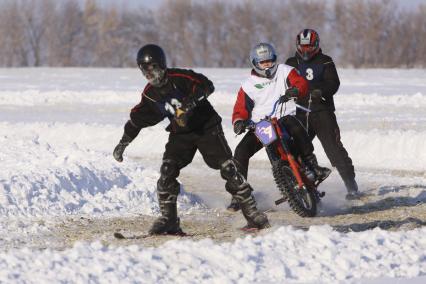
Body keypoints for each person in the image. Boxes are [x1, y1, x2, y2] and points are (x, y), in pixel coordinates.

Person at [113, 44, 269, 234]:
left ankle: (253, 215)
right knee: (167, 170)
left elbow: (206, 85)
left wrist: (190, 103)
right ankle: (169, 220)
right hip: (181, 134)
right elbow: (137, 120)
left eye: (153, 67)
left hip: (206, 127)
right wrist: (123, 143)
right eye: (145, 70)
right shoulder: (150, 95)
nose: (150, 74)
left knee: (228, 167)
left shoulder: (180, 78)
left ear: (161, 64)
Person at [227, 42, 331, 211]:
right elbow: (240, 108)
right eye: (263, 62)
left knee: (296, 127)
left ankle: (312, 166)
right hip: (262, 125)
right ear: (255, 63)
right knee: (240, 152)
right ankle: (239, 196)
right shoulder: (248, 85)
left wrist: (295, 90)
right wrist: (239, 121)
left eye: (270, 60)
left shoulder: (285, 71)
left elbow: (301, 83)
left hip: (284, 117)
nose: (267, 65)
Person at [285, 29, 359, 200]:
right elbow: (283, 82)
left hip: (322, 112)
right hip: (299, 113)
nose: (306, 50)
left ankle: (351, 186)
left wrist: (321, 91)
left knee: (334, 150)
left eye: (309, 46)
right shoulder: (290, 63)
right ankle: (304, 186)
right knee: (295, 150)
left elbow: (334, 83)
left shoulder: (325, 61)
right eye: (303, 47)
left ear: (316, 45)